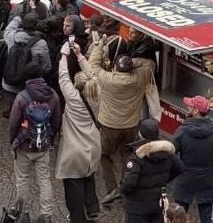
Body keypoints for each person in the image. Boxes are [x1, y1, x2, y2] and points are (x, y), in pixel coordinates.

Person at [89, 35, 156, 204]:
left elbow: (93, 65)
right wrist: (134, 62)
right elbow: (150, 64)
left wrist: (99, 46)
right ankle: (125, 186)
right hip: (131, 125)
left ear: (116, 68)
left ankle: (112, 189)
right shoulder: (139, 78)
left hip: (109, 125)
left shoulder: (108, 79)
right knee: (126, 154)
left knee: (104, 154)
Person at [7, 61, 61, 223]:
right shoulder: (53, 95)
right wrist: (50, 139)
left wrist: (13, 142)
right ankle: (46, 215)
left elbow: (13, 122)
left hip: (24, 145)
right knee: (44, 180)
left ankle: (23, 213)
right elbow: (57, 119)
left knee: (22, 179)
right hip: (43, 145)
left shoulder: (22, 97)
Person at [57, 43, 101, 223]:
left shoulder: (74, 98)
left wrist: (64, 56)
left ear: (77, 84)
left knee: (73, 187)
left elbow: (63, 77)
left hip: (74, 150)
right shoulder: (97, 92)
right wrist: (80, 55)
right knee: (88, 174)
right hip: (93, 145)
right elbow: (94, 75)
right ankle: (92, 207)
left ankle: (78, 218)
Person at [120, 119, 184, 223]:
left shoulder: (137, 156)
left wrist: (122, 191)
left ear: (140, 134)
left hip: (137, 207)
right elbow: (180, 167)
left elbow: (129, 184)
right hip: (157, 205)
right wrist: (163, 180)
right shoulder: (167, 151)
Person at [172, 95, 213, 223]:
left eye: (190, 105)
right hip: (208, 180)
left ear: (196, 110)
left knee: (179, 215)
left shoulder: (182, 131)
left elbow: (171, 155)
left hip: (184, 180)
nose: (187, 106)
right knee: (206, 217)